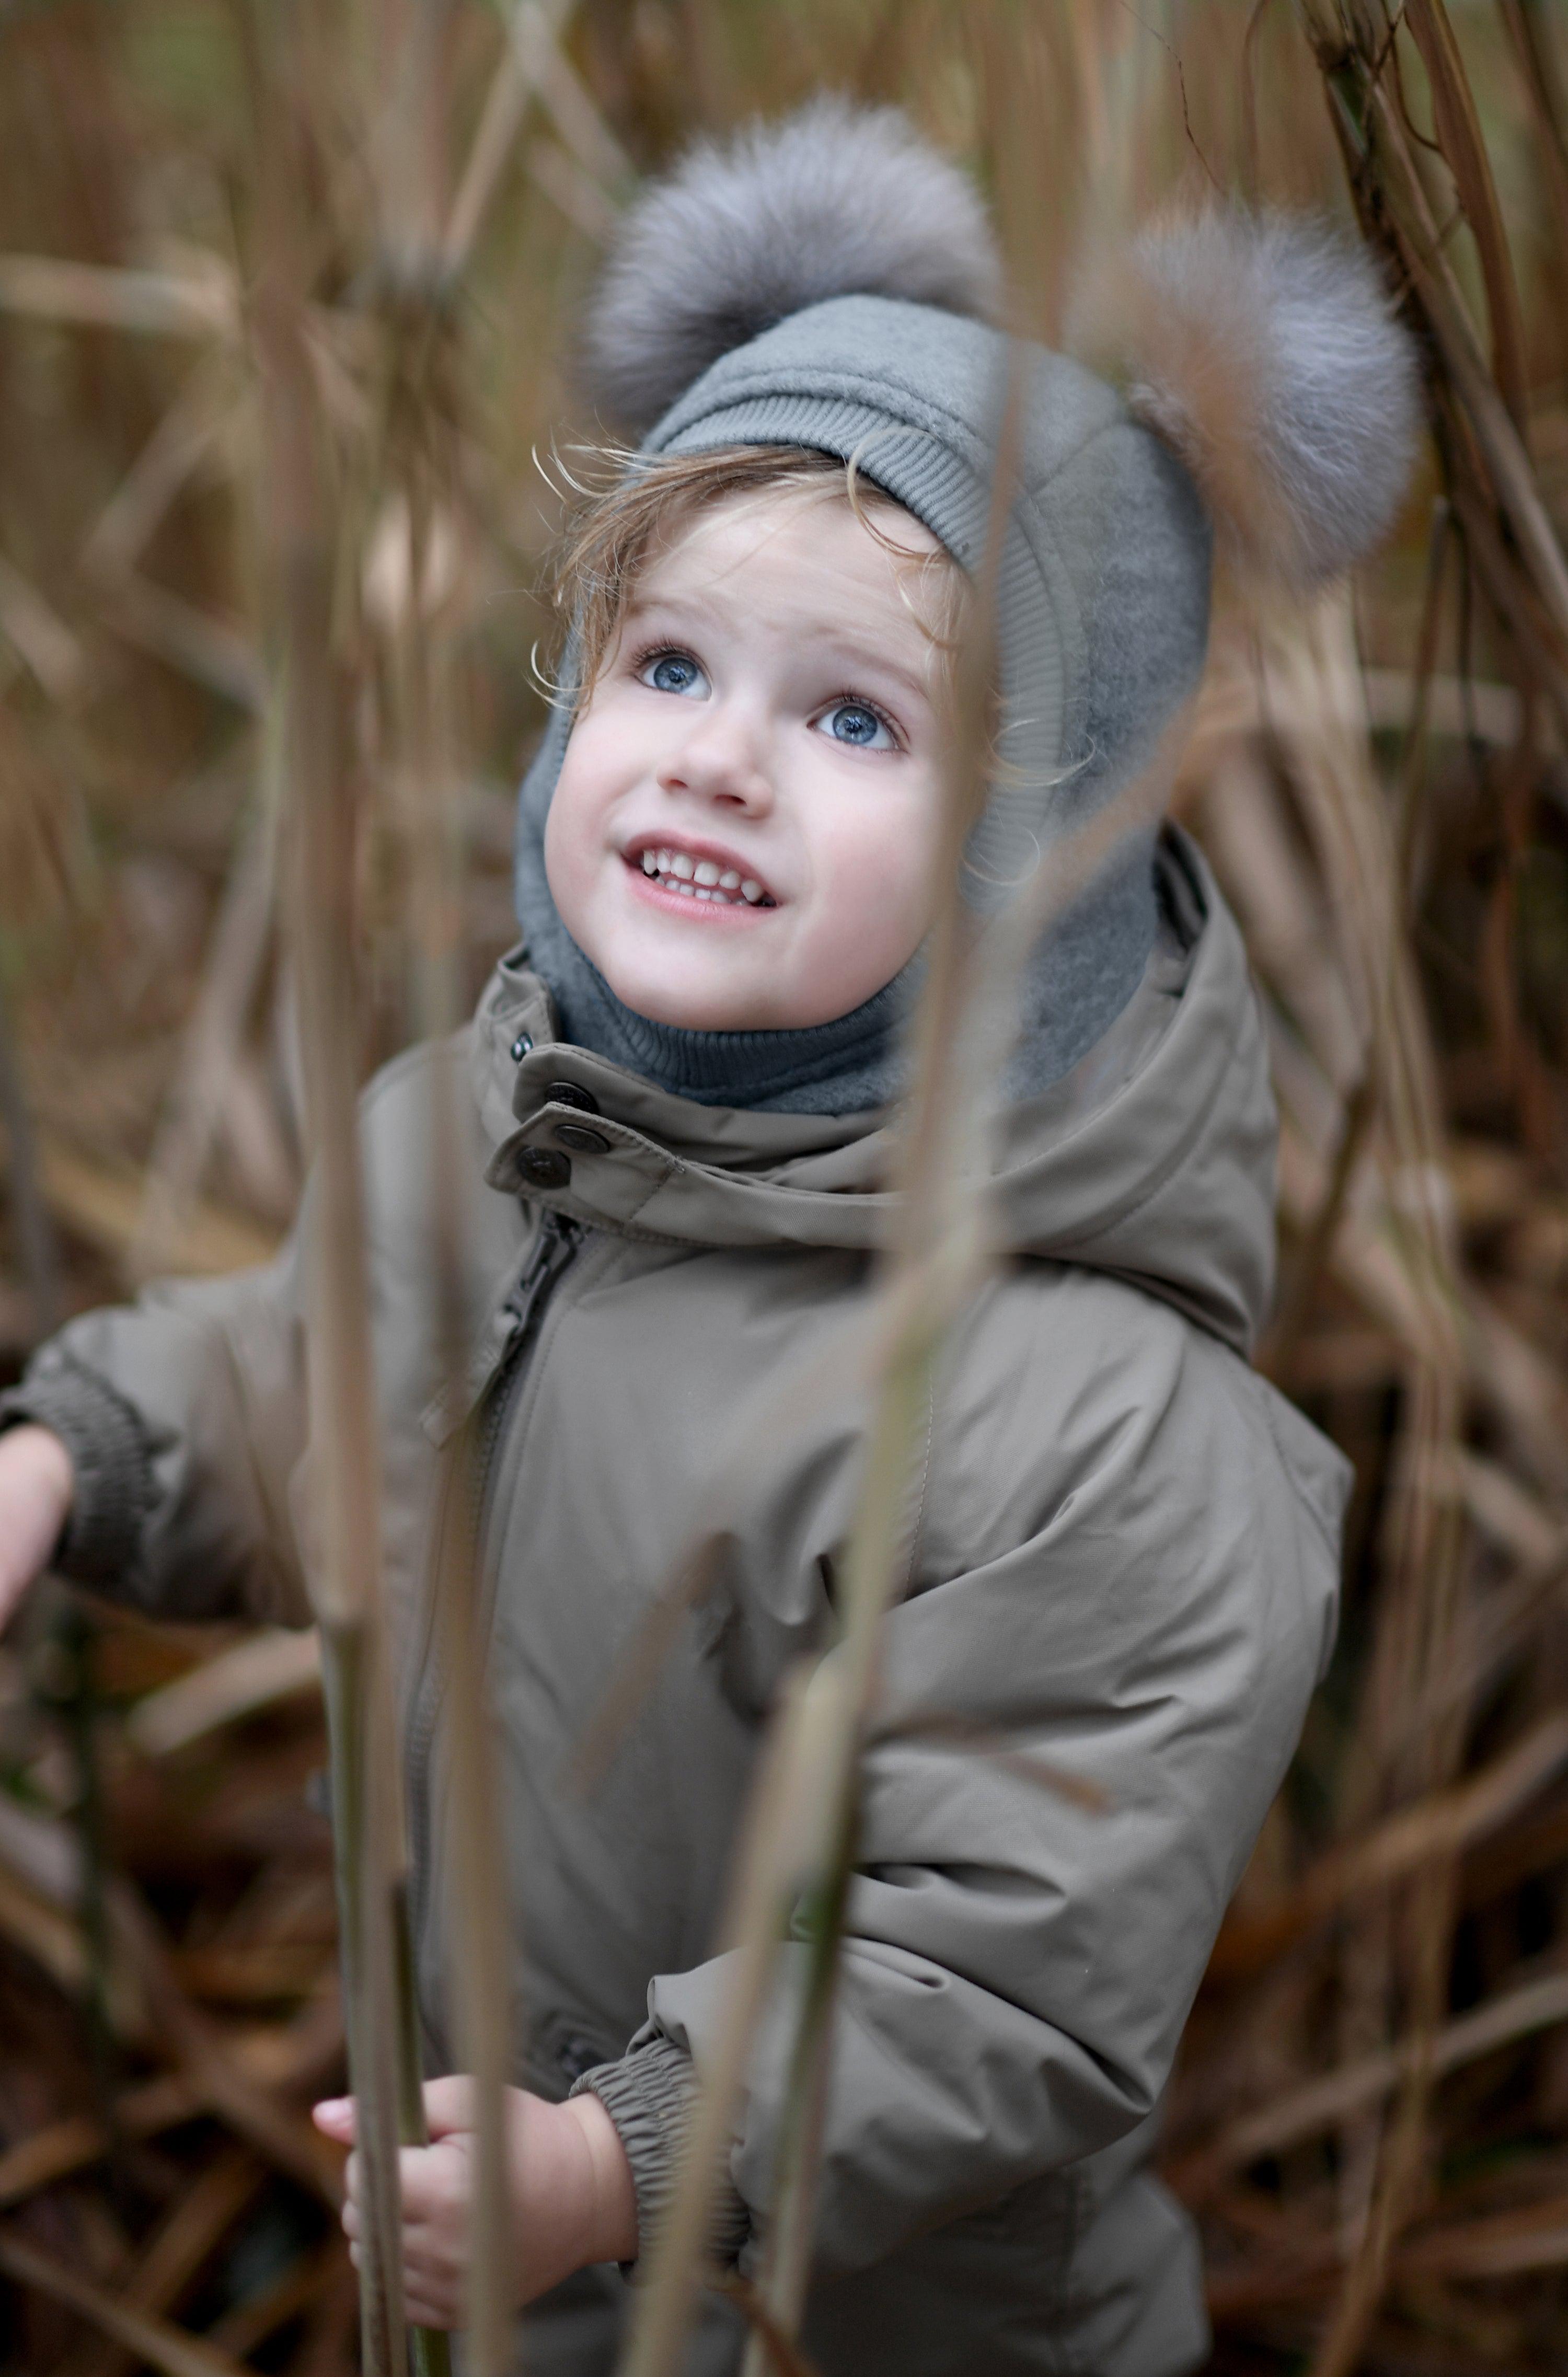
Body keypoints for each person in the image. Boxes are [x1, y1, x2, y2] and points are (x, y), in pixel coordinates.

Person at [0, 101, 1418, 2377]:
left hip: (843, 2317)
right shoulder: (483, 1136)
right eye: (665, 668)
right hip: (506, 2250)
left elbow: (1000, 1974)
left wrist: (621, 2160)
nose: (715, 763)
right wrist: (68, 1458)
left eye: (859, 716)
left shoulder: (1097, 1430)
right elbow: (308, 1383)